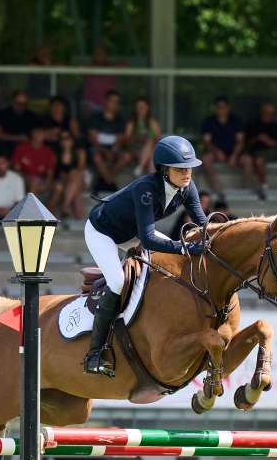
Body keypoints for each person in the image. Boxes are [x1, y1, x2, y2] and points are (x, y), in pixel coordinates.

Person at [82, 135, 208, 376]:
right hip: (103, 231)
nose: (186, 173)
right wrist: (185, 248)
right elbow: (148, 239)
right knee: (118, 281)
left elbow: (202, 222)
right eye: (180, 169)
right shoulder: (146, 189)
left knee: (168, 262)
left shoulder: (187, 188)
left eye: (189, 168)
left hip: (131, 231)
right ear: (164, 170)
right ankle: (94, 353)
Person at [87, 89, 130, 194]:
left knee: (126, 156)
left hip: (114, 150)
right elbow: (93, 139)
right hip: (97, 149)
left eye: (116, 102)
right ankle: (110, 182)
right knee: (97, 156)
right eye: (112, 101)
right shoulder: (95, 118)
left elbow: (120, 140)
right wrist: (105, 151)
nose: (114, 105)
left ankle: (105, 180)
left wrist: (113, 151)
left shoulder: (120, 120)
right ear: (105, 102)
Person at [199, 95, 243, 193]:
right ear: (215, 108)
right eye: (219, 107)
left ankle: (245, 191)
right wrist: (216, 151)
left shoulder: (236, 121)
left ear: (229, 108)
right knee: (205, 159)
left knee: (248, 161)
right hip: (215, 152)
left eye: (224, 107)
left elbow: (240, 141)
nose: (221, 110)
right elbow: (206, 141)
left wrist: (234, 155)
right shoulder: (209, 122)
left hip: (234, 152)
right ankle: (216, 190)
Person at [0, 88, 39, 159]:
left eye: (24, 104)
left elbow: (37, 134)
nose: (22, 106)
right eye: (19, 103)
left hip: (27, 154)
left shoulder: (31, 116)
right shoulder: (1, 115)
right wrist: (18, 138)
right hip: (6, 152)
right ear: (13, 101)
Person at [50, 129, 87, 221]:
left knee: (75, 175)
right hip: (62, 179)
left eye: (68, 138)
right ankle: (66, 208)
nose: (65, 141)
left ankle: (65, 206)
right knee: (76, 193)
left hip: (78, 178)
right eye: (62, 138)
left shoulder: (80, 152)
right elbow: (55, 170)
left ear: (72, 140)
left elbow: (81, 169)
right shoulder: (56, 153)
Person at [81, 45, 122, 117]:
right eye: (97, 54)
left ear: (105, 55)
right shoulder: (88, 69)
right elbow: (77, 67)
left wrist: (110, 66)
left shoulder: (111, 68)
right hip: (91, 104)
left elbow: (125, 65)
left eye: (101, 54)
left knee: (116, 106)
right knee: (85, 108)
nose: (99, 56)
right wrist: (93, 67)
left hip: (109, 104)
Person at [125, 96, 163, 174]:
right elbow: (127, 139)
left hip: (151, 149)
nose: (141, 109)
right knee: (150, 148)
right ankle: (151, 177)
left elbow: (159, 138)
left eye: (143, 107)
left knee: (151, 146)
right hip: (136, 149)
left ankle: (141, 167)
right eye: (138, 107)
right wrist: (139, 138)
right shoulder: (132, 122)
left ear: (147, 108)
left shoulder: (152, 122)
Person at [13, 127, 56, 194]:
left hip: (41, 179)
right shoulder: (21, 148)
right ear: (32, 134)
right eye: (37, 133)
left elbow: (50, 172)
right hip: (24, 177)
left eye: (42, 134)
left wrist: (47, 183)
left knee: (58, 187)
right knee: (34, 183)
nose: (40, 136)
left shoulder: (48, 151)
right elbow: (16, 168)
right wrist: (24, 179)